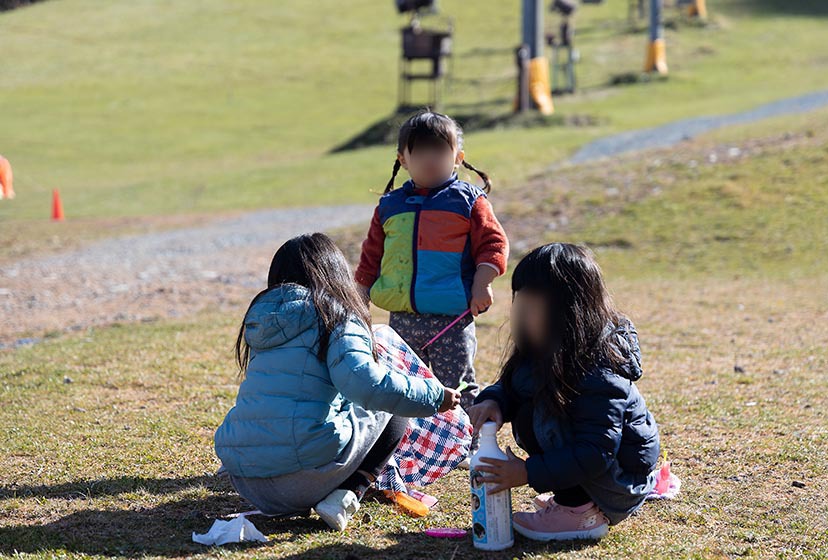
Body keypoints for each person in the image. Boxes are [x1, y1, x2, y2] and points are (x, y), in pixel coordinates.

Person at [214, 233, 460, 532]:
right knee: (391, 404)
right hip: (299, 481)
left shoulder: (262, 320)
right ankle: (349, 493)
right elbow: (369, 385)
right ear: (336, 273)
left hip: (247, 481)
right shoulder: (335, 314)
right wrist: (435, 396)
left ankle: (339, 484)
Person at [468, 243, 660, 541]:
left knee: (541, 416)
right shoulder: (550, 348)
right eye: (521, 303)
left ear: (568, 310)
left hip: (619, 482)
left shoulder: (599, 367)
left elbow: (596, 451)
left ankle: (580, 513)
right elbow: (517, 385)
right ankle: (575, 500)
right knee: (535, 408)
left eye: (533, 307)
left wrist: (528, 472)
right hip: (601, 473)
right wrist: (495, 400)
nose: (522, 315)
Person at [355, 111, 509, 411]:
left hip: (451, 318)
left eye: (439, 150)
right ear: (403, 159)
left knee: (456, 385)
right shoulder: (389, 206)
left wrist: (482, 283)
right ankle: (408, 449)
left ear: (457, 157)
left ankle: (465, 446)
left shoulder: (469, 202)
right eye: (421, 151)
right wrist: (358, 298)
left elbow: (494, 243)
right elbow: (371, 256)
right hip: (402, 319)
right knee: (404, 387)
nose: (430, 159)